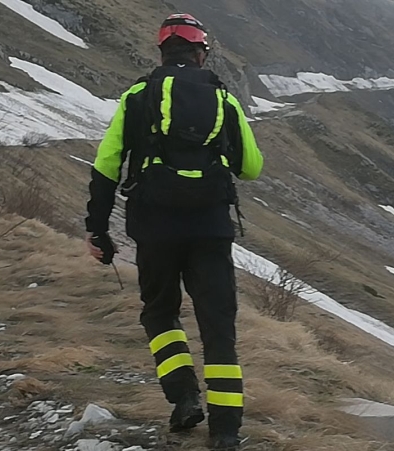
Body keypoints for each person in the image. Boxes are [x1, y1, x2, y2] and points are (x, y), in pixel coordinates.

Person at [84, 13, 263, 451]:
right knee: (218, 327)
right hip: (210, 227)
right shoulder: (224, 100)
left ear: (162, 51)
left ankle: (183, 397)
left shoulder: (137, 96)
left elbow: (107, 166)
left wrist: (98, 230)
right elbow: (252, 167)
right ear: (201, 52)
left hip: (154, 225)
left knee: (160, 313)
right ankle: (225, 431)